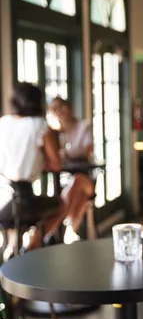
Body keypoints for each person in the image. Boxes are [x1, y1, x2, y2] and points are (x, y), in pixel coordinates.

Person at [0, 83, 65, 256]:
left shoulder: (3, 122)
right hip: (22, 200)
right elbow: (56, 163)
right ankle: (31, 248)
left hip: (3, 197)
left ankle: (12, 246)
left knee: (16, 217)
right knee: (60, 205)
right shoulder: (39, 125)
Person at [48, 97, 96, 243]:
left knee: (77, 182)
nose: (59, 112)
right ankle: (71, 231)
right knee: (77, 193)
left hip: (87, 178)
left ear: (68, 107)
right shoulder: (53, 133)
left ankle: (54, 227)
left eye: (60, 107)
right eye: (54, 109)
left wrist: (65, 154)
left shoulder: (83, 126)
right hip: (64, 181)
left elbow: (86, 150)